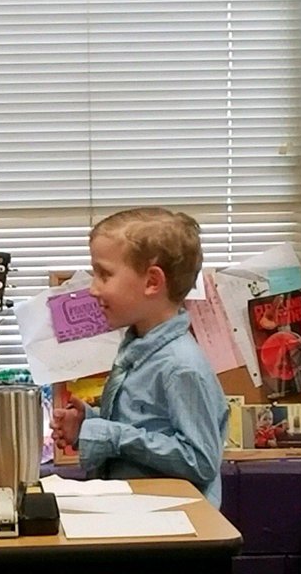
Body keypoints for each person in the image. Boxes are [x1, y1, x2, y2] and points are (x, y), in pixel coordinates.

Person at [50, 207, 227, 504]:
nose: (93, 289)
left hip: (173, 534)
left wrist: (109, 434)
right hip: (136, 519)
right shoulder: (139, 349)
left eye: (104, 275)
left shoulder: (180, 366)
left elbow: (200, 460)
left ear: (152, 282)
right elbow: (150, 429)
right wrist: (87, 424)